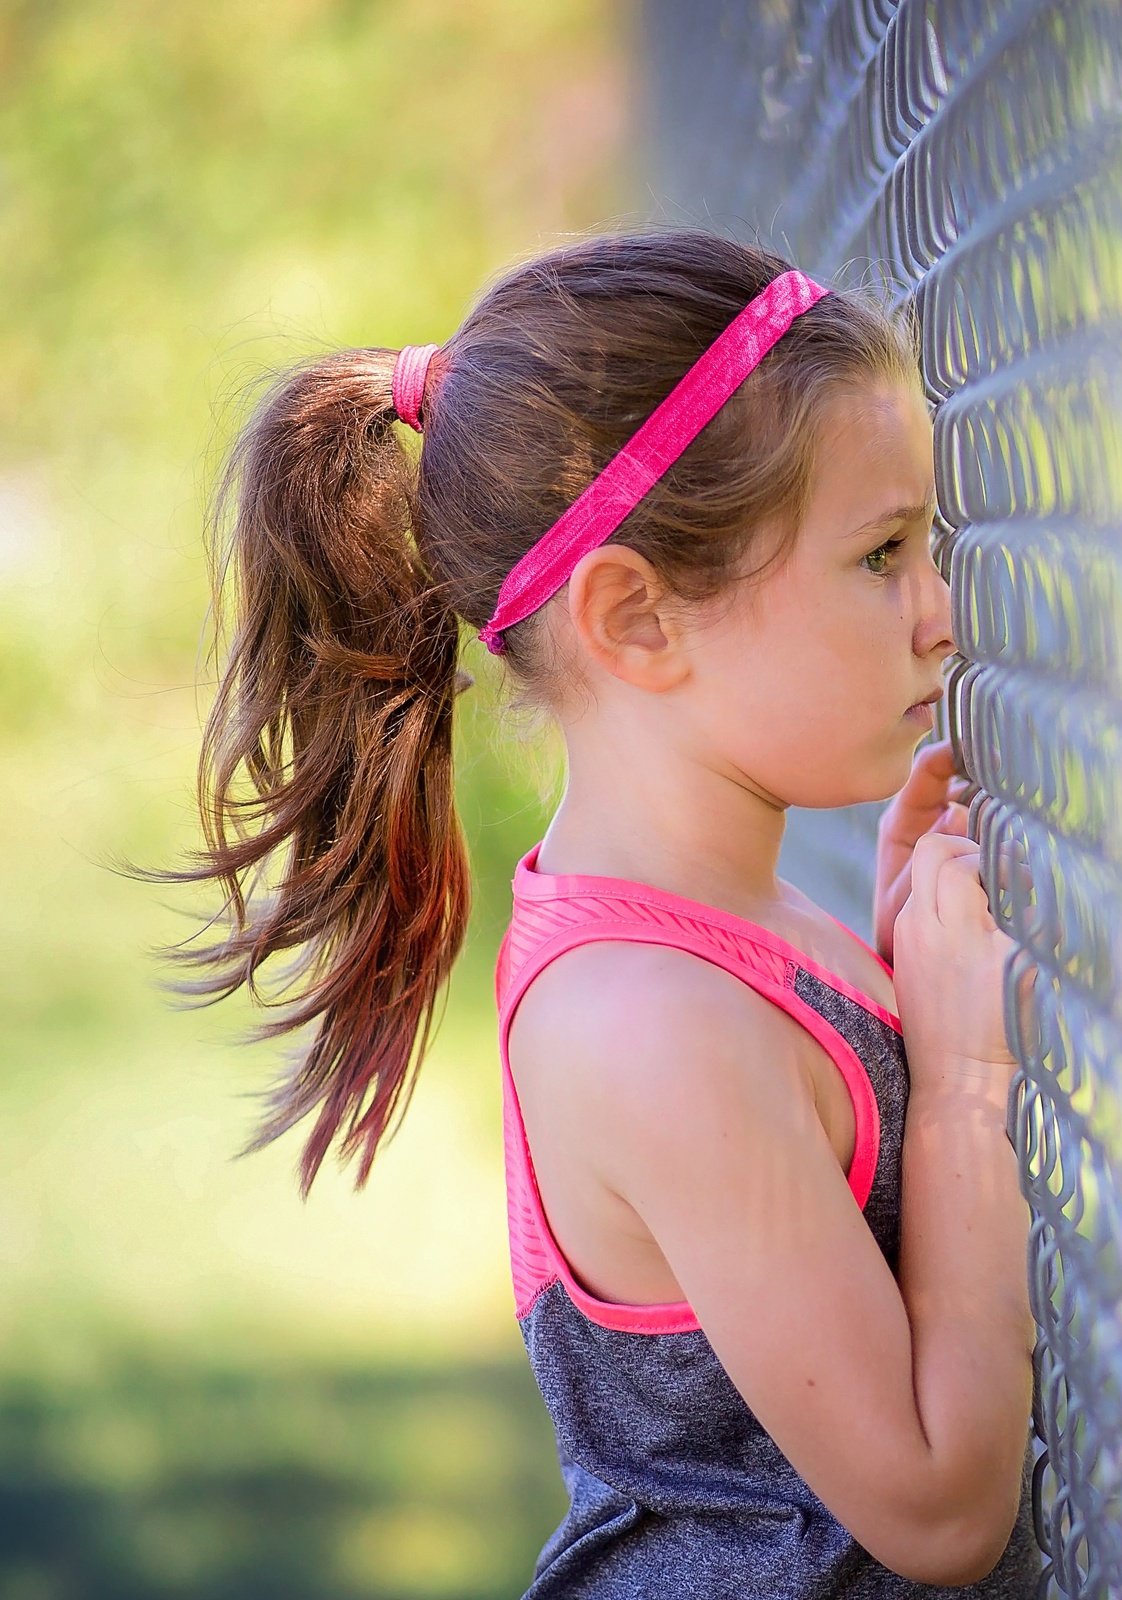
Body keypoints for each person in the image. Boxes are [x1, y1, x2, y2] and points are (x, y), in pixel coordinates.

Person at [131, 227, 1043, 1595]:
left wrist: (914, 972)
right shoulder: (650, 1022)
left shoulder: (723, 929)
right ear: (638, 621)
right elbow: (934, 1507)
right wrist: (968, 1075)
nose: (941, 611)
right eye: (882, 556)